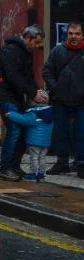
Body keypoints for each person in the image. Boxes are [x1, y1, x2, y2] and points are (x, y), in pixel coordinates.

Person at [0, 25, 48, 181]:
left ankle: (15, 166)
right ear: (28, 38)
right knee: (15, 130)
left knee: (23, 132)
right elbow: (13, 77)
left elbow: (28, 77)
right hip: (9, 98)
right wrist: (33, 93)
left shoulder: (26, 53)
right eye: (36, 42)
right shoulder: (9, 51)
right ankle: (5, 167)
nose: (38, 46)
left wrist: (37, 91)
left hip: (20, 99)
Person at [43, 22, 84, 177]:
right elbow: (47, 71)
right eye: (71, 33)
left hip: (82, 102)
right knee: (61, 133)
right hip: (61, 100)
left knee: (81, 133)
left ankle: (81, 164)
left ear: (82, 35)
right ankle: (62, 163)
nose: (74, 36)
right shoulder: (57, 51)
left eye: (77, 34)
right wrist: (56, 89)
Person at [5, 104, 55, 182]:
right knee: (42, 158)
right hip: (46, 142)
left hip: (34, 142)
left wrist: (11, 114)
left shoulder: (35, 114)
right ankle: (41, 175)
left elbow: (23, 119)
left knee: (34, 158)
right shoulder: (50, 115)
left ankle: (33, 175)